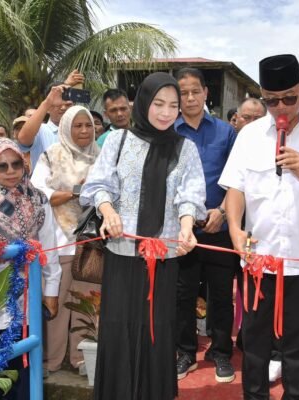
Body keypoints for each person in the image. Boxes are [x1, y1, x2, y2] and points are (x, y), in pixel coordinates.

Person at [219, 54, 299, 400]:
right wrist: (234, 229)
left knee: (298, 348)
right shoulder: (249, 135)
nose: (281, 107)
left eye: (289, 98)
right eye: (271, 100)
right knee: (255, 347)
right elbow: (236, 188)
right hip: (258, 259)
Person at [80, 72, 206, 400]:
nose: (166, 112)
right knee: (119, 331)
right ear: (144, 103)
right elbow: (100, 185)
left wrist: (187, 225)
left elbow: (190, 194)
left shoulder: (185, 147)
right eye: (159, 104)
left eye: (174, 106)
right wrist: (109, 213)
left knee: (157, 332)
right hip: (122, 256)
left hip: (163, 258)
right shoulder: (119, 141)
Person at [0, 138, 61, 400]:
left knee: (25, 372)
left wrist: (51, 291)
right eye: (2, 166)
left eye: (16, 164)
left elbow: (49, 249)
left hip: (25, 301)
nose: (11, 171)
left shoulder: (38, 199)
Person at [173, 67, 239, 383]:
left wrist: (223, 212)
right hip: (182, 232)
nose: (190, 98)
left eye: (195, 91)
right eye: (183, 92)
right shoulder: (168, 133)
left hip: (220, 229)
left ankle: (222, 351)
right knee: (183, 295)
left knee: (222, 294)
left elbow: (237, 181)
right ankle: (186, 352)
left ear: (205, 93)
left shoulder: (226, 133)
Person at [30, 105, 100, 376]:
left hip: (91, 243)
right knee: (55, 301)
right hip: (57, 239)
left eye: (88, 126)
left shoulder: (101, 156)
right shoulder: (52, 155)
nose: (83, 131)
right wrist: (74, 192)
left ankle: (82, 359)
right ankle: (51, 360)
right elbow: (40, 193)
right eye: (77, 126)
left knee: (86, 303)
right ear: (65, 128)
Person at [17, 71, 83, 167]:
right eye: (57, 105)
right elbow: (23, 138)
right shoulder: (40, 130)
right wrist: (47, 102)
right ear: (47, 108)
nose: (63, 108)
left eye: (68, 104)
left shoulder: (82, 131)